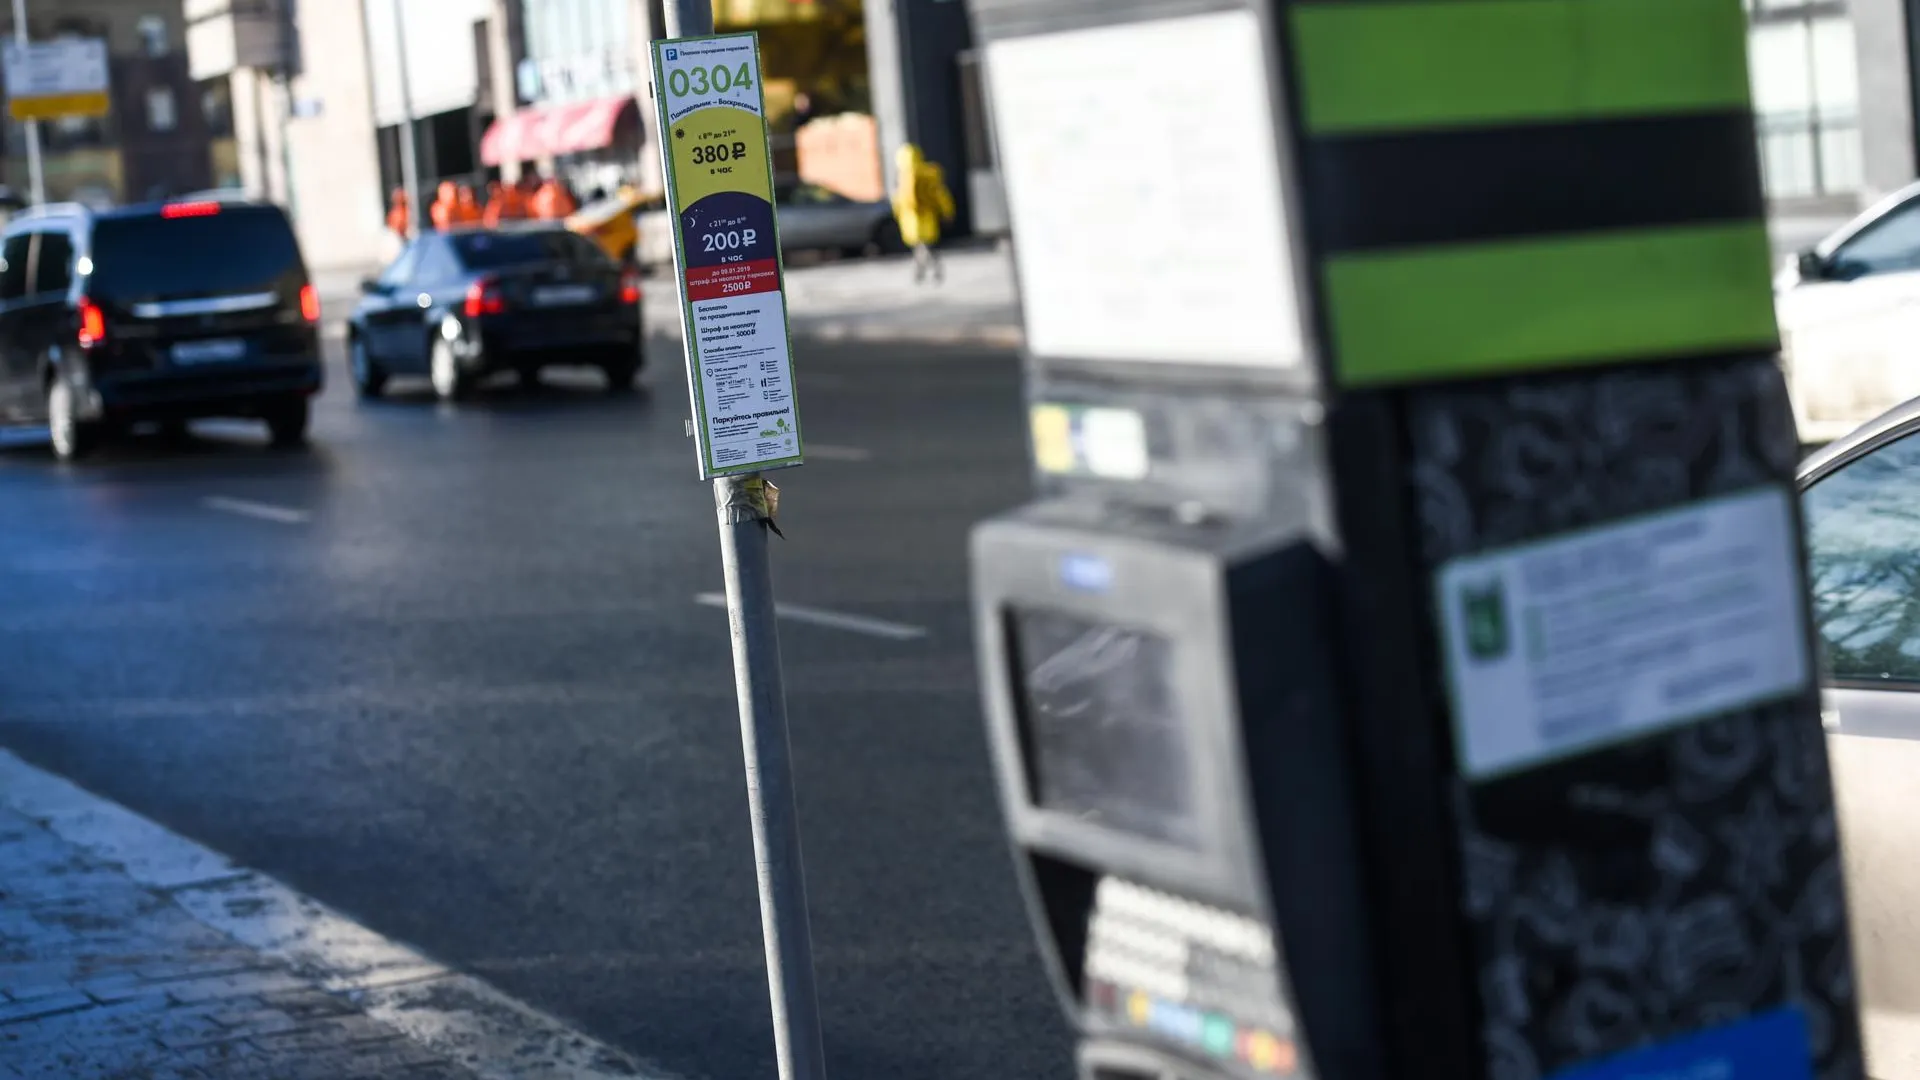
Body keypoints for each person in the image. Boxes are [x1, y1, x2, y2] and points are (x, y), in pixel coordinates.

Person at [892, 143, 955, 285]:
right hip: (921, 216)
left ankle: (924, 270)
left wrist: (896, 212)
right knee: (922, 245)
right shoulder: (925, 173)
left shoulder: (910, 175)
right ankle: (924, 269)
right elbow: (940, 194)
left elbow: (899, 198)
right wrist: (947, 211)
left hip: (916, 217)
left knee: (923, 245)